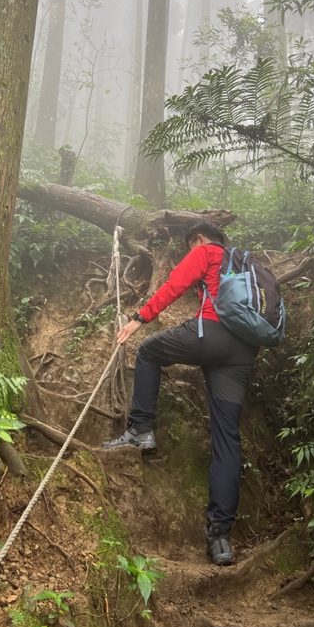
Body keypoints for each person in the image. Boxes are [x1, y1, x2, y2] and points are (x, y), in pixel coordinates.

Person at [103, 221, 258, 566]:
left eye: (191, 246)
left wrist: (138, 318)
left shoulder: (205, 251)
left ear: (200, 239)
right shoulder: (245, 262)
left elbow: (175, 284)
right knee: (227, 438)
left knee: (148, 352)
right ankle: (220, 539)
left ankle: (140, 428)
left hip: (212, 333)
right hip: (243, 352)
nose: (191, 251)